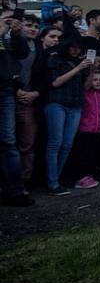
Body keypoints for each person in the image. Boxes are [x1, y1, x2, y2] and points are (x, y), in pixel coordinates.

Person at [45, 35, 92, 195]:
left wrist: (91, 71)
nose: (76, 50)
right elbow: (55, 82)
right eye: (73, 46)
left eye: (78, 47)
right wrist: (78, 68)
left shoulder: (80, 63)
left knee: (66, 145)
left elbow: (85, 87)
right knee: (55, 143)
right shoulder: (55, 59)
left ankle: (56, 180)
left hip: (75, 106)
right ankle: (52, 182)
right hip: (57, 103)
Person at [0, 16, 33, 206]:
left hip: (5, 89)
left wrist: (16, 33)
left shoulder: (5, 28)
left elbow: (22, 53)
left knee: (9, 141)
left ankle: (14, 191)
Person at [15, 14, 44, 186]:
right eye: (28, 25)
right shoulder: (11, 44)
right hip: (10, 96)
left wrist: (36, 93)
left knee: (27, 143)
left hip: (30, 98)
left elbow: (43, 76)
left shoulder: (40, 47)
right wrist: (15, 90)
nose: (33, 29)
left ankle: (23, 183)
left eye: (35, 26)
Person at [70, 70, 100, 189]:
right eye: (95, 80)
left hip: (98, 130)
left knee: (93, 154)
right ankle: (81, 178)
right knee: (84, 154)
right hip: (84, 130)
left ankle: (89, 176)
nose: (98, 82)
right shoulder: (84, 94)